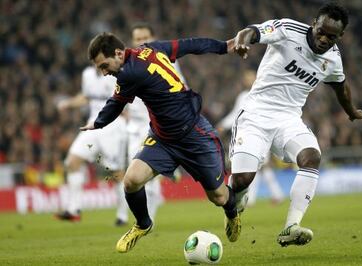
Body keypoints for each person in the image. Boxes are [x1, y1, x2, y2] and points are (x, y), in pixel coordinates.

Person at [81, 32, 240, 253]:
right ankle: (143, 224)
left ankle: (232, 211)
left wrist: (97, 123)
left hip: (194, 135)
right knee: (131, 180)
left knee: (219, 197)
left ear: (118, 53)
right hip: (163, 139)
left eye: (104, 66)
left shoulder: (129, 74)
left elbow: (116, 103)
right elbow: (189, 44)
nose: (104, 72)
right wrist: (223, 46)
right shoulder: (151, 48)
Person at [229, 2, 362, 247]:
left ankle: (291, 226)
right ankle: (234, 208)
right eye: (321, 32)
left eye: (332, 36)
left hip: (288, 119)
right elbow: (253, 31)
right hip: (255, 114)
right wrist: (242, 40)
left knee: (312, 156)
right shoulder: (287, 30)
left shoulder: (333, 59)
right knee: (242, 180)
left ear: (341, 36)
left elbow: (341, 87)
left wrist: (351, 112)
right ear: (313, 24)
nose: (325, 39)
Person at [126, 22, 186, 220]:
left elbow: (182, 89)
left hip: (158, 125)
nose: (142, 42)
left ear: (154, 38)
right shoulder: (126, 64)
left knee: (142, 171)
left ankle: (147, 219)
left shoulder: (167, 60)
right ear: (133, 42)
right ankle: (165, 172)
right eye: (138, 39)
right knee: (133, 173)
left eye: (146, 38)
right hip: (134, 127)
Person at [55, 66, 128, 226]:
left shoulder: (116, 74)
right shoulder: (87, 74)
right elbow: (86, 97)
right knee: (72, 162)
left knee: (117, 173)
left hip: (113, 126)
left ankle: (122, 215)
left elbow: (128, 97)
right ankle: (74, 210)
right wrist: (68, 103)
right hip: (93, 125)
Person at [217, 69, 284, 207]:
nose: (247, 80)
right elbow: (236, 114)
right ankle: (273, 195)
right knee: (260, 167)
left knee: (259, 166)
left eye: (250, 78)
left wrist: (223, 125)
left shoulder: (257, 94)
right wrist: (223, 125)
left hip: (259, 133)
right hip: (257, 133)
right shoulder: (247, 95)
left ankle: (256, 198)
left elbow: (236, 114)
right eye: (246, 78)